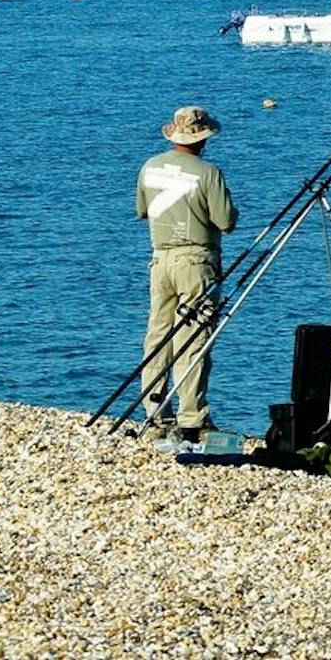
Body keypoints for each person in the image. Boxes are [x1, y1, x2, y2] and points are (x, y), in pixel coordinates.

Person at [135, 106, 237, 446]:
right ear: (203, 137)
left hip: (160, 260)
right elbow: (226, 221)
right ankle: (192, 416)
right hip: (197, 262)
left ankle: (154, 414)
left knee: (158, 336)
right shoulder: (209, 173)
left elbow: (142, 210)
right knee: (194, 337)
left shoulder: (149, 167)